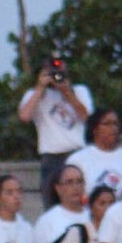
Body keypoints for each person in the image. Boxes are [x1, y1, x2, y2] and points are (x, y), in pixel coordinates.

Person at [17, 58, 94, 201]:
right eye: (52, 73)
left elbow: (88, 118)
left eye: (60, 72)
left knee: (82, 200)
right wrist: (40, 88)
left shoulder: (79, 91)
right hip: (52, 157)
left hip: (77, 153)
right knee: (51, 200)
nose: (56, 76)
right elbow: (24, 116)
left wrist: (67, 92)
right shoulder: (34, 95)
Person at [68, 109, 122, 199]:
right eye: (107, 124)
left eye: (115, 124)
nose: (113, 128)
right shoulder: (77, 160)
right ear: (94, 129)